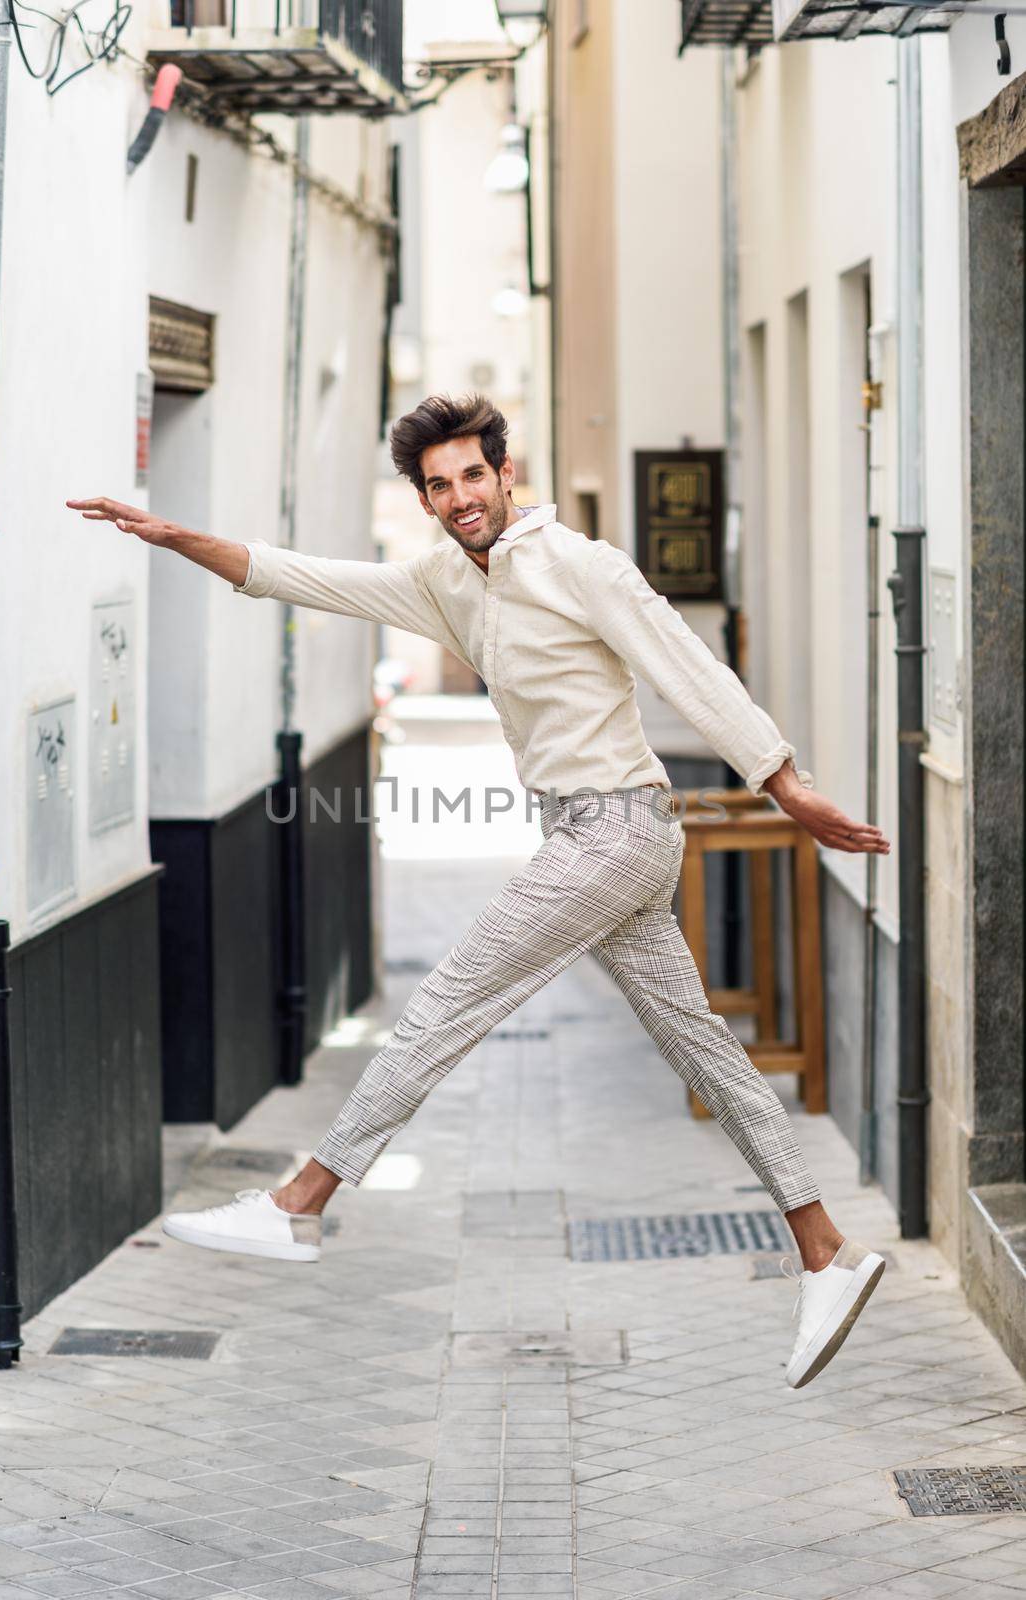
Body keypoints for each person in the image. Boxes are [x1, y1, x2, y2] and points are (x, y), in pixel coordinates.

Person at [67, 393, 890, 1389]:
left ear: (507, 474)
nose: (460, 497)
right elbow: (304, 578)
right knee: (705, 1050)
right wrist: (168, 534)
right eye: (439, 485)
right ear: (423, 498)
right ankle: (825, 1250)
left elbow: (687, 665)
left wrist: (786, 784)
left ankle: (301, 1202)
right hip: (593, 836)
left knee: (451, 995)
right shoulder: (446, 583)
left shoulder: (579, 565)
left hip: (616, 828)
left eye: (473, 476)